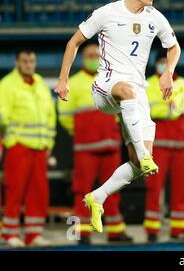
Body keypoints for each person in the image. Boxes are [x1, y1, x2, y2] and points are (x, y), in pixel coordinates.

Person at [54, 0, 181, 233]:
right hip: (105, 87)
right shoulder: (106, 13)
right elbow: (73, 43)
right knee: (128, 93)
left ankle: (97, 197)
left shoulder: (156, 18)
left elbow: (173, 47)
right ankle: (146, 156)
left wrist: (168, 72)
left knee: (137, 165)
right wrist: (63, 78)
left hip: (137, 93)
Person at [57, 43, 133, 244]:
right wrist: (81, 133)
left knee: (113, 189)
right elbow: (64, 116)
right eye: (89, 55)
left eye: (97, 55)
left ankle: (116, 232)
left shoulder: (112, 81)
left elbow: (122, 111)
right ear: (82, 58)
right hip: (85, 149)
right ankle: (82, 233)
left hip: (110, 146)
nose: (93, 58)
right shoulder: (72, 83)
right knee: (82, 189)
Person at [0, 50, 56, 247]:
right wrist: (9, 139)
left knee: (38, 193)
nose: (28, 64)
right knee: (14, 191)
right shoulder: (7, 84)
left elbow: (50, 114)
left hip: (40, 148)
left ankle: (33, 234)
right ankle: (9, 234)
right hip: (18, 146)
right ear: (17, 62)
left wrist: (49, 142)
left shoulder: (40, 82)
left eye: (32, 61)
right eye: (24, 61)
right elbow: (2, 116)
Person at [144, 54, 184, 243]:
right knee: (154, 187)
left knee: (182, 188)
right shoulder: (149, 83)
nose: (163, 66)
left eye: (166, 63)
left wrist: (170, 107)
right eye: (160, 63)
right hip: (158, 144)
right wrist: (175, 109)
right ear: (156, 65)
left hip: (182, 144)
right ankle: (152, 229)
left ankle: (178, 230)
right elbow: (150, 109)